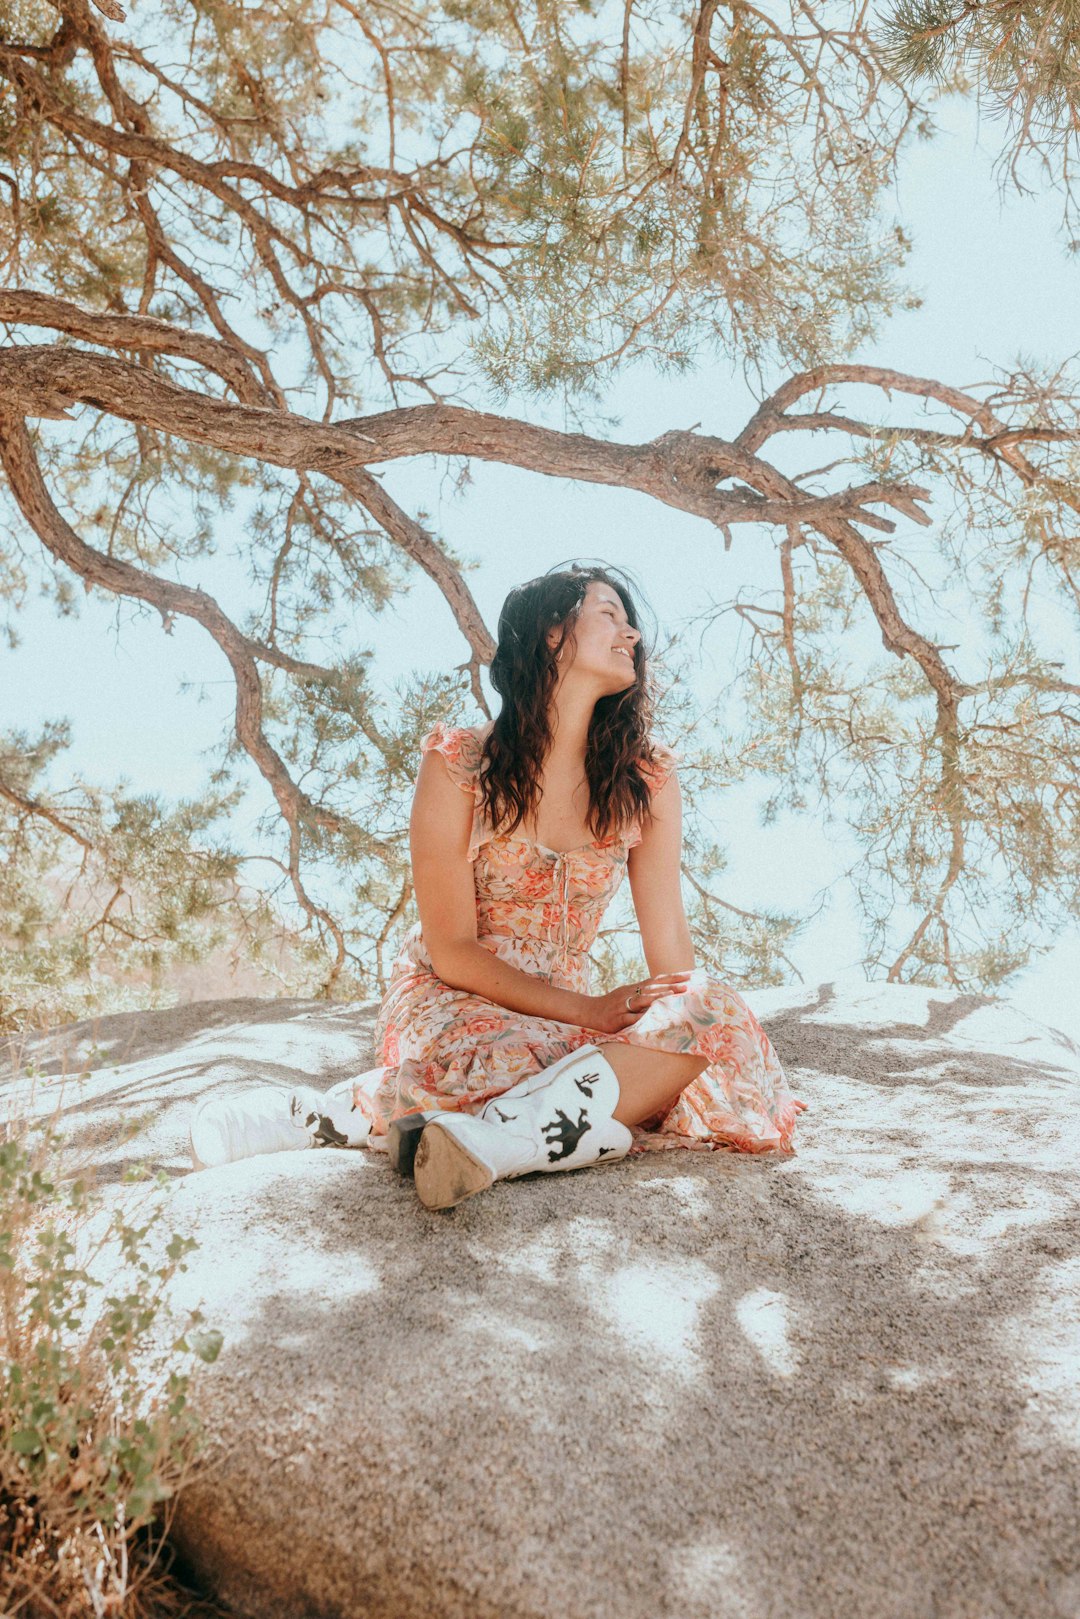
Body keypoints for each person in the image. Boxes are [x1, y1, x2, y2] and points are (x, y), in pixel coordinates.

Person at [354, 563, 808, 1210]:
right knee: (522, 1059)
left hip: (566, 1008)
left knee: (710, 1010)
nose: (631, 634)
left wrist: (678, 1029)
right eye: (608, 614)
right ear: (551, 633)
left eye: (631, 622)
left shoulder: (646, 781)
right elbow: (451, 950)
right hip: (454, 997)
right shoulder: (457, 763)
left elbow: (672, 958)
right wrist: (593, 1016)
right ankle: (494, 1126)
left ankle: (495, 1136)